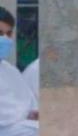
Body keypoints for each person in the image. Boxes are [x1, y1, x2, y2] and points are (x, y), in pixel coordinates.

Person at [0, 7, 38, 135]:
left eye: (9, 33)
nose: (5, 39)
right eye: (0, 33)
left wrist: (33, 113)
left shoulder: (10, 70)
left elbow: (30, 104)